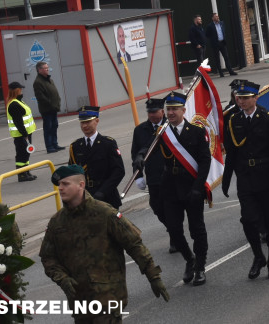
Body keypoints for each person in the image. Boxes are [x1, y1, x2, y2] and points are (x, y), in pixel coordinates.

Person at [40, 164, 169, 321]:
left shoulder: (104, 213)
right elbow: (48, 257)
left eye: (65, 184)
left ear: (81, 185)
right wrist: (62, 279)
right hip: (79, 303)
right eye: (59, 184)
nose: (60, 188)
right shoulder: (57, 222)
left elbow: (134, 245)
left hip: (108, 298)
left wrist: (153, 276)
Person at [222, 81, 269, 280]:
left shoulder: (266, 118)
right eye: (239, 98)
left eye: (246, 98)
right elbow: (231, 152)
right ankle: (258, 256)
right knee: (248, 219)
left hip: (266, 176)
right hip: (246, 178)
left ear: (255, 98)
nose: (242, 101)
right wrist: (226, 178)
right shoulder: (233, 120)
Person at [157, 91, 211, 286]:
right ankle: (190, 259)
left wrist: (198, 187)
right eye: (168, 109)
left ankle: (201, 267)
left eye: (174, 109)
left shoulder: (197, 132)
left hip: (191, 187)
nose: (170, 113)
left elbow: (205, 161)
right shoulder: (162, 133)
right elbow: (147, 150)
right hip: (170, 189)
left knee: (197, 229)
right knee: (174, 230)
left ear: (183, 110)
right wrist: (139, 157)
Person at [130, 97, 173, 252]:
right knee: (156, 205)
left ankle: (175, 235)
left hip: (171, 174)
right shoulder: (140, 130)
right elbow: (136, 154)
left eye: (155, 112)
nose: (152, 115)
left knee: (170, 206)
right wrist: (139, 175)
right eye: (150, 112)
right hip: (154, 175)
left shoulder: (171, 125)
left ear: (162, 111)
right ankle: (172, 228)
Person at [68, 106, 125, 208]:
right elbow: (72, 174)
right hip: (85, 198)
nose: (85, 126)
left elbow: (119, 171)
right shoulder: (75, 146)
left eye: (88, 122)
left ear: (97, 121)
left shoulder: (108, 143)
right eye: (82, 122)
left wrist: (103, 192)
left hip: (107, 197)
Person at [6, 81, 38, 182]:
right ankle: (22, 174)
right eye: (20, 89)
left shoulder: (18, 101)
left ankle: (26, 171)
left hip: (25, 133)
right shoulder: (14, 104)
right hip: (21, 135)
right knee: (21, 154)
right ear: (16, 91)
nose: (22, 91)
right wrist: (24, 134)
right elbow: (18, 122)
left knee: (26, 153)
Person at [33, 61, 61, 153]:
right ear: (39, 70)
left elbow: (54, 92)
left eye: (47, 68)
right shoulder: (38, 82)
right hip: (47, 109)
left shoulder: (49, 80)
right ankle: (49, 146)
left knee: (54, 126)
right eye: (45, 68)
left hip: (53, 108)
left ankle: (55, 144)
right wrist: (51, 104)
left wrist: (57, 102)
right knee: (48, 128)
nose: (47, 70)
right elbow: (41, 97)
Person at [205, 12, 238, 77]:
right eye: (216, 17)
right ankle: (220, 73)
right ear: (213, 18)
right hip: (215, 44)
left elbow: (223, 31)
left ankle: (230, 71)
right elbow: (207, 35)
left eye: (217, 16)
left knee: (226, 57)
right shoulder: (210, 26)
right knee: (217, 58)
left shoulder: (222, 23)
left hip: (222, 42)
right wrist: (213, 40)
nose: (217, 17)